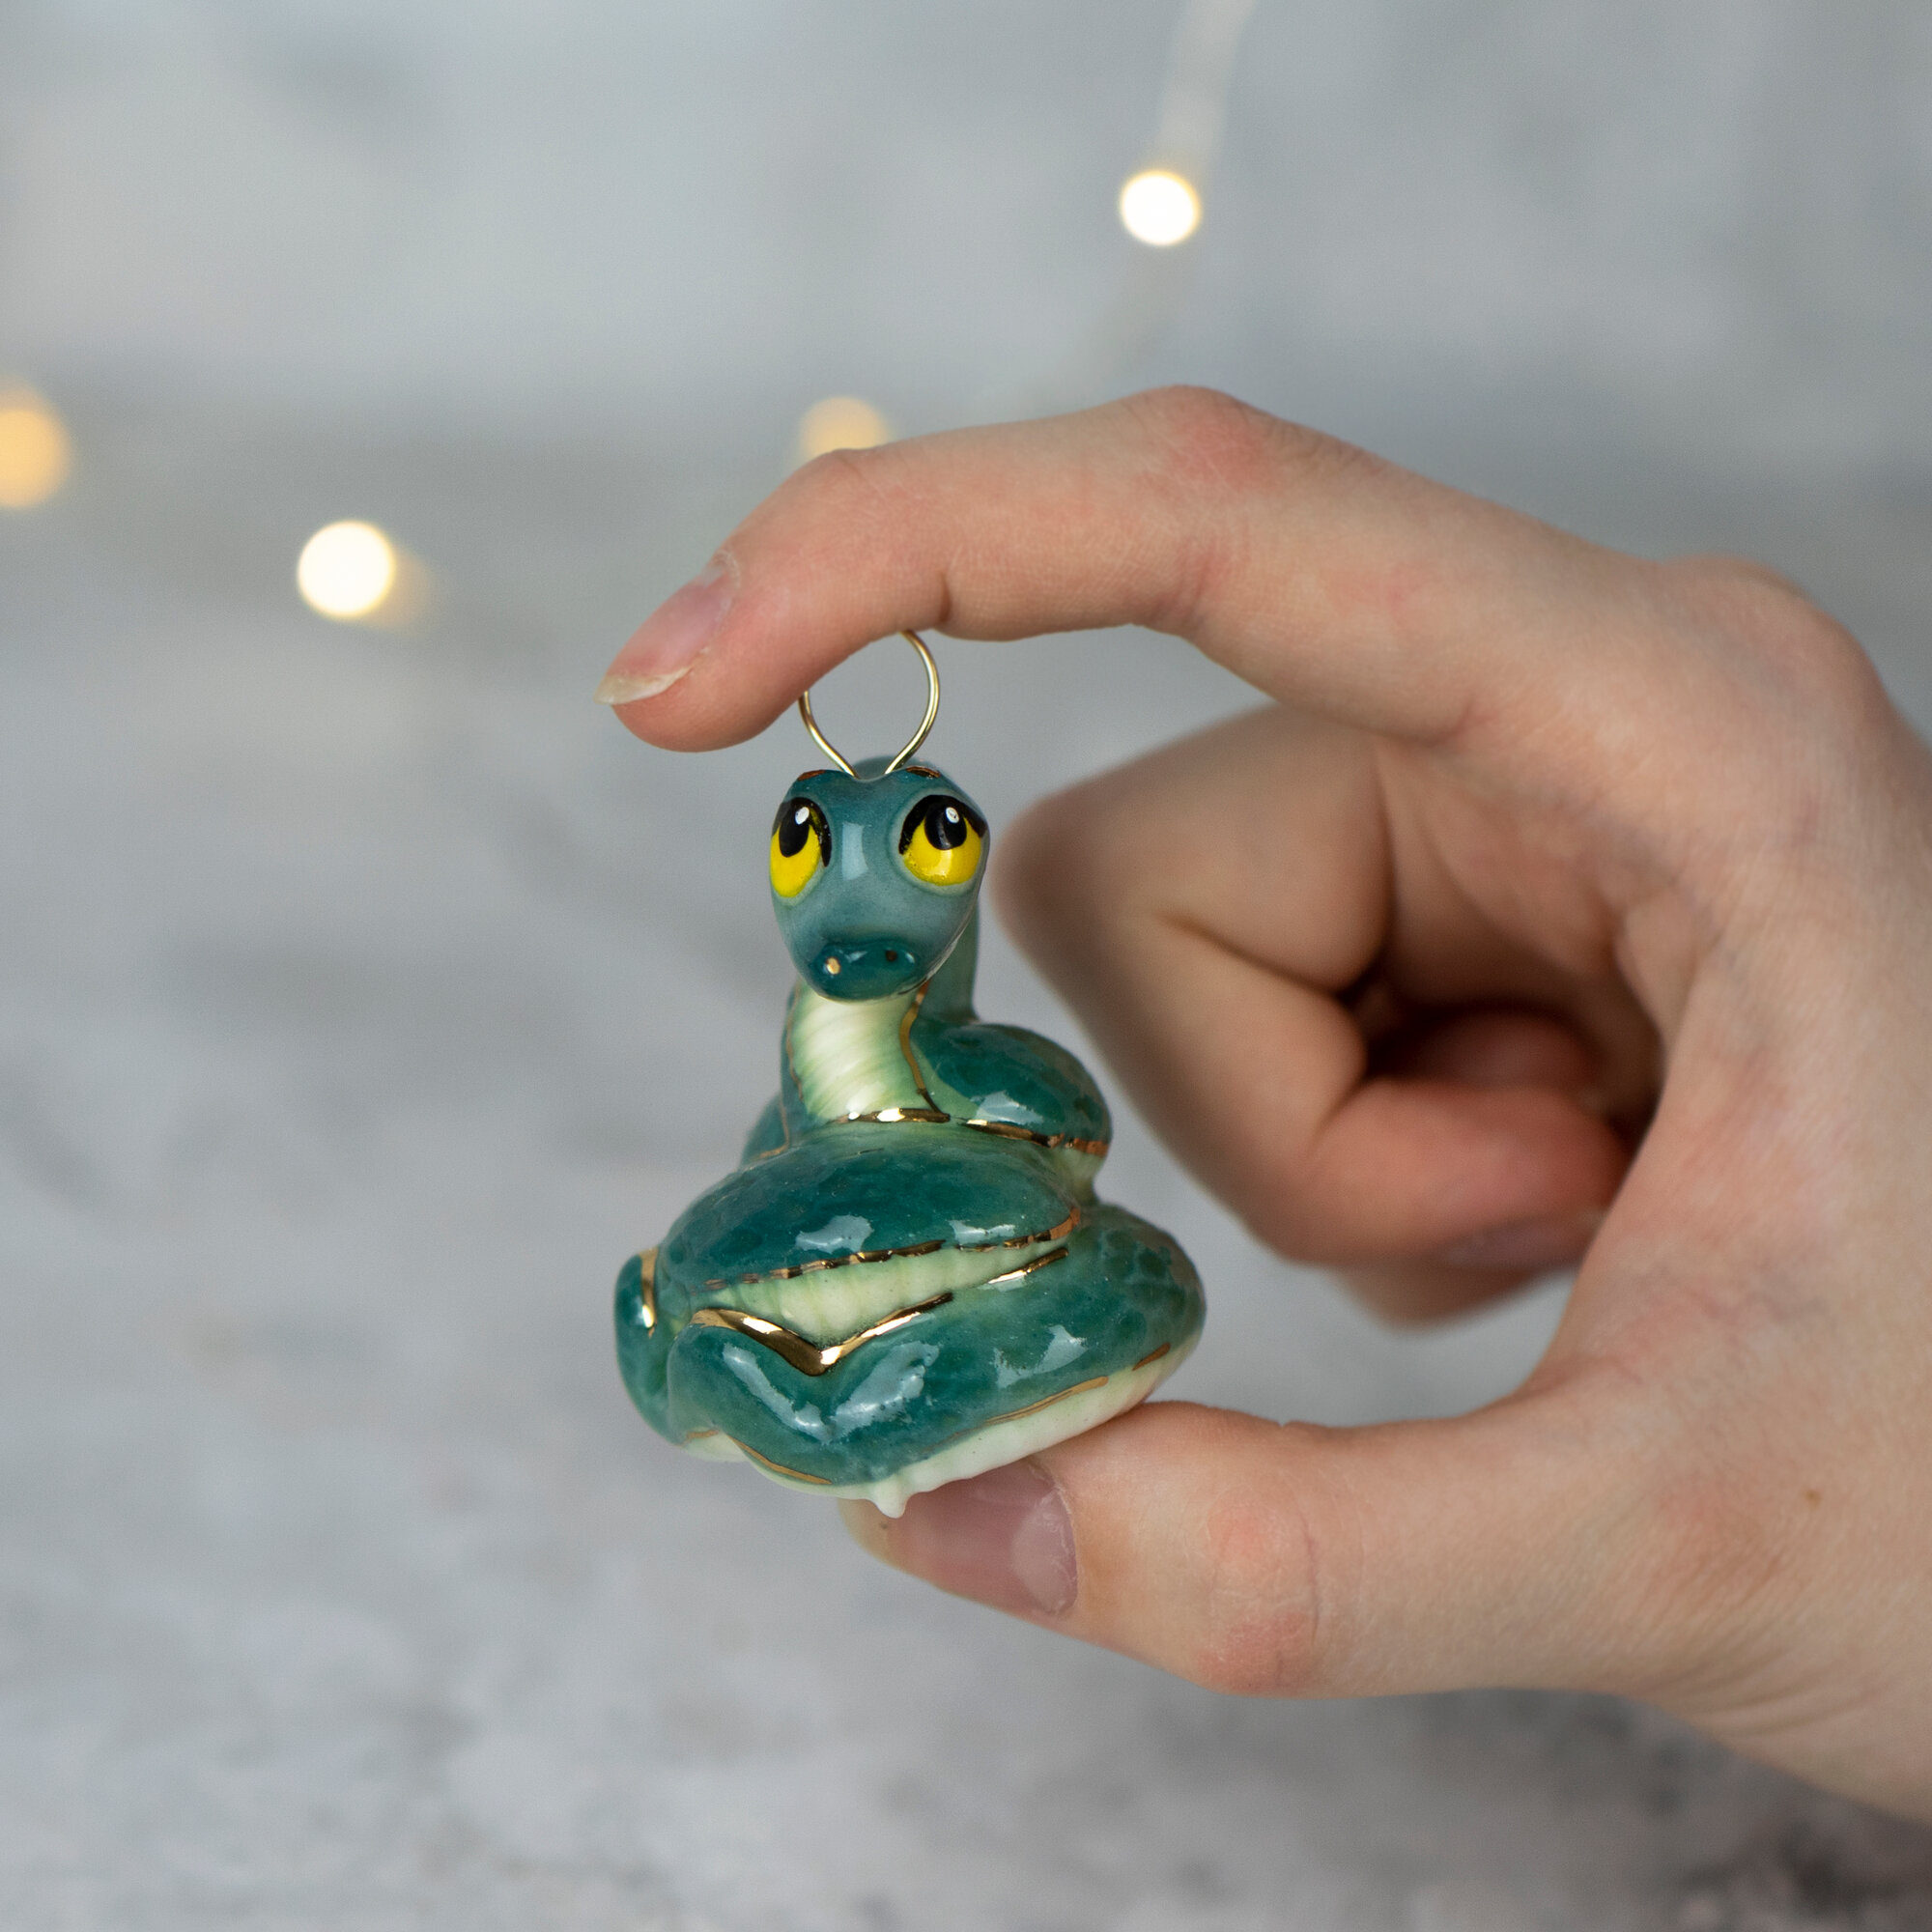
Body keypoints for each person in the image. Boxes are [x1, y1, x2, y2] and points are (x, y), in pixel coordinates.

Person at [595, 387, 1932, 1820]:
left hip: (992, 1237)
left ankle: (827, 1401)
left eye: (928, 842)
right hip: (788, 1249)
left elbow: (1067, 1128)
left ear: (958, 856)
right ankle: (766, 1384)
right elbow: (789, 1148)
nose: (853, 890)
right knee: (682, 1294)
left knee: (1131, 1272)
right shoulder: (807, 1075)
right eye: (805, 843)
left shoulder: (990, 1074)